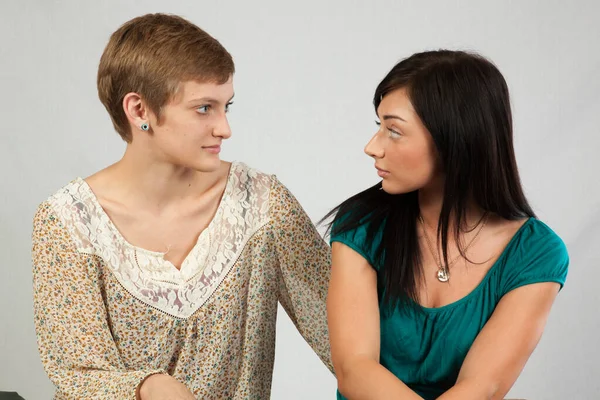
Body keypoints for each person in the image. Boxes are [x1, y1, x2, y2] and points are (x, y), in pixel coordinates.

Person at [31, 13, 332, 400]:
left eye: (227, 106)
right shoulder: (69, 223)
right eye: (204, 108)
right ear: (139, 111)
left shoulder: (261, 205)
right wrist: (149, 387)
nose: (225, 128)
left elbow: (346, 331)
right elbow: (77, 371)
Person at [325, 50, 569, 400]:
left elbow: (482, 387)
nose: (372, 147)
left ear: (454, 139)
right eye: (378, 126)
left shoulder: (535, 253)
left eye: (394, 131)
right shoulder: (361, 225)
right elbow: (355, 370)